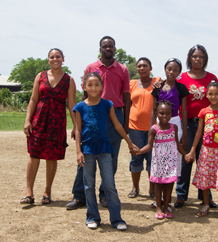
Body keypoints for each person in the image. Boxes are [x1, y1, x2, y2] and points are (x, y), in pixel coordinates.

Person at [66, 36, 130, 210]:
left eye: (111, 46)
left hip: (114, 115)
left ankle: (104, 195)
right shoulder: (91, 68)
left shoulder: (123, 69)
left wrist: (125, 123)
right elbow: (84, 96)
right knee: (86, 156)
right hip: (91, 115)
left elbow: (126, 97)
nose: (108, 48)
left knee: (111, 158)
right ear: (100, 48)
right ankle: (80, 196)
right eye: (104, 46)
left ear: (115, 48)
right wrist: (77, 123)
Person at [74, 72, 138, 230]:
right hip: (87, 150)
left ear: (102, 86)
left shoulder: (107, 104)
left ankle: (117, 219)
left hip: (104, 149)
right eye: (90, 85)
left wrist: (130, 143)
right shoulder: (79, 107)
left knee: (109, 185)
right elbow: (77, 131)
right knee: (89, 185)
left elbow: (117, 125)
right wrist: (78, 152)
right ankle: (92, 217)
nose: (93, 87)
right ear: (84, 87)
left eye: (97, 84)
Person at [20, 48, 76, 205]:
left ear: (63, 59)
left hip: (57, 123)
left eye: (58, 56)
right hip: (39, 120)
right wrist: (27, 120)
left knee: (52, 157)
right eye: (52, 57)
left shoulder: (69, 80)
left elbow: (72, 105)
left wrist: (76, 126)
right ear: (48, 60)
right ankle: (28, 193)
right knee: (34, 155)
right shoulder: (40, 76)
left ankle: (47, 191)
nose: (55, 59)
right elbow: (33, 99)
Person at [174, 45, 218, 208]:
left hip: (207, 125)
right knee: (186, 159)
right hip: (187, 125)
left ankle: (205, 195)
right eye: (194, 56)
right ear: (189, 58)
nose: (198, 59)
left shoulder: (212, 78)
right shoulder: (182, 78)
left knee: (205, 160)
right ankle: (181, 195)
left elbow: (217, 102)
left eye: (201, 56)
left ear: (205, 59)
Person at [185, 81, 218, 220]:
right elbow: (198, 132)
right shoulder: (204, 112)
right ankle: (206, 204)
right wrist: (192, 150)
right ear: (206, 95)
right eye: (210, 94)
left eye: (216, 94)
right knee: (205, 178)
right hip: (206, 151)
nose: (213, 96)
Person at [138, 100, 187, 219]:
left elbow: (177, 144)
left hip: (170, 162)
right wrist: (139, 151)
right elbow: (149, 146)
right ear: (157, 113)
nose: (164, 116)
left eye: (167, 113)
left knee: (169, 186)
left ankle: (166, 206)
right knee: (158, 186)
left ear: (171, 114)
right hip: (158, 163)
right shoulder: (154, 129)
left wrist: (185, 155)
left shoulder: (174, 127)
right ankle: (159, 207)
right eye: (161, 113)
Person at [128, 58, 161, 199]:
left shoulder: (157, 82)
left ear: (151, 67)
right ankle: (135, 187)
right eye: (139, 66)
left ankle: (152, 189)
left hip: (153, 127)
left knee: (152, 158)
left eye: (145, 66)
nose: (142, 68)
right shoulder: (132, 84)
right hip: (134, 126)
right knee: (136, 157)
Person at [151, 58, 189, 177]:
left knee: (174, 154)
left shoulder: (181, 88)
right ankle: (158, 181)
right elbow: (153, 110)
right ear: (165, 70)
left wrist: (185, 135)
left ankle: (171, 180)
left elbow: (183, 110)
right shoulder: (157, 87)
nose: (171, 72)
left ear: (179, 72)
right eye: (169, 69)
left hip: (175, 122)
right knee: (159, 153)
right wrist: (151, 130)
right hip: (159, 124)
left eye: (175, 70)